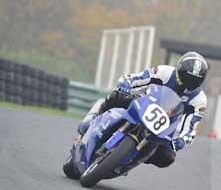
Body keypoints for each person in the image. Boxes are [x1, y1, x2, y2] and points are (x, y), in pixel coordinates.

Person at [77, 51, 209, 168]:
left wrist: (180, 141)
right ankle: (91, 120)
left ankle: (129, 160)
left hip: (164, 125)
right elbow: (134, 78)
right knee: (115, 96)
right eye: (186, 78)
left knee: (167, 158)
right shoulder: (164, 72)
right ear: (178, 70)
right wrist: (125, 85)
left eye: (193, 82)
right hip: (141, 101)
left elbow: (190, 128)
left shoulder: (199, 99)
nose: (187, 84)